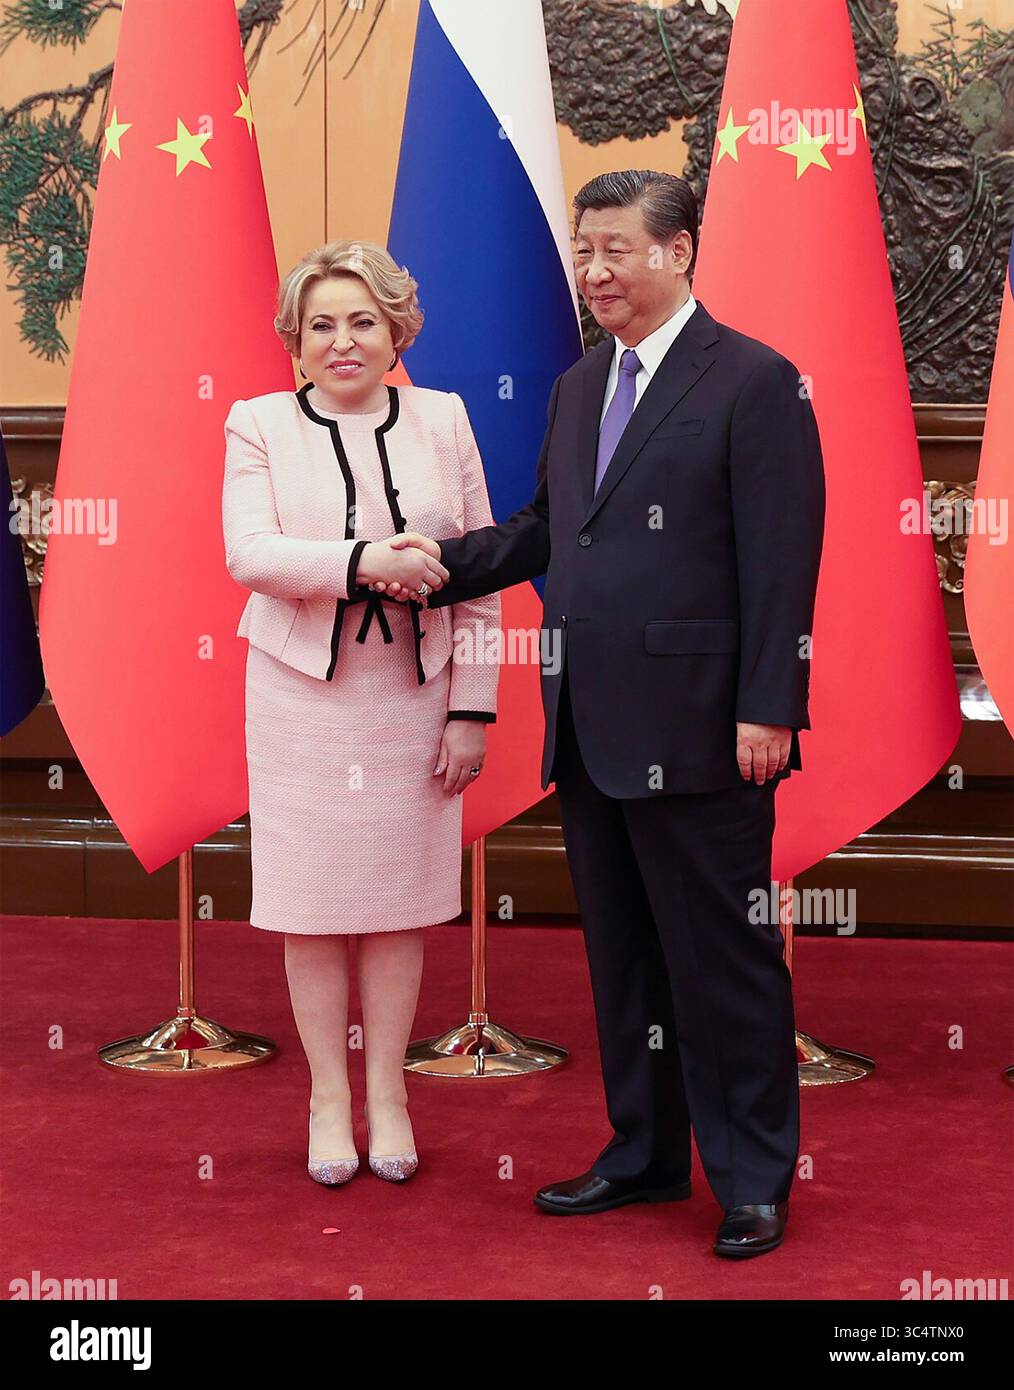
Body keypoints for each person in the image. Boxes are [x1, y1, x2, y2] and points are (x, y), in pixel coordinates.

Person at [377, 171, 825, 1257]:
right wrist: (436, 562)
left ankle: (754, 1178)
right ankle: (645, 1152)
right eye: (585, 252)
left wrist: (770, 707)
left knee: (723, 962)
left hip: (707, 727)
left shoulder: (755, 380)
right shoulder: (583, 386)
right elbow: (547, 531)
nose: (595, 272)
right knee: (624, 959)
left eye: (617, 249)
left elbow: (782, 559)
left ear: (679, 251)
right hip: (588, 722)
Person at [221, 239, 500, 1187]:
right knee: (311, 908)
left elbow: (483, 579)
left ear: (397, 331)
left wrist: (473, 708)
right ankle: (327, 1098)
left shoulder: (445, 419)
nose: (343, 341)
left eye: (364, 322)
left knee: (396, 910)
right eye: (322, 325)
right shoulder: (258, 422)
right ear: (295, 340)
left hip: (415, 703)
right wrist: (362, 563)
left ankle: (390, 1092)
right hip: (302, 704)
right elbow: (250, 553)